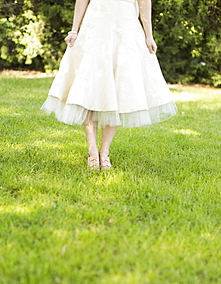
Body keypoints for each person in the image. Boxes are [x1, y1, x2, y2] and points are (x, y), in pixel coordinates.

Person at [41, 0, 177, 169]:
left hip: (125, 30)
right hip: (96, 27)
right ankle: (92, 151)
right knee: (90, 87)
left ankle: (104, 152)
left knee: (118, 88)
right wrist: (74, 30)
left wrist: (149, 36)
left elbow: (144, 4)